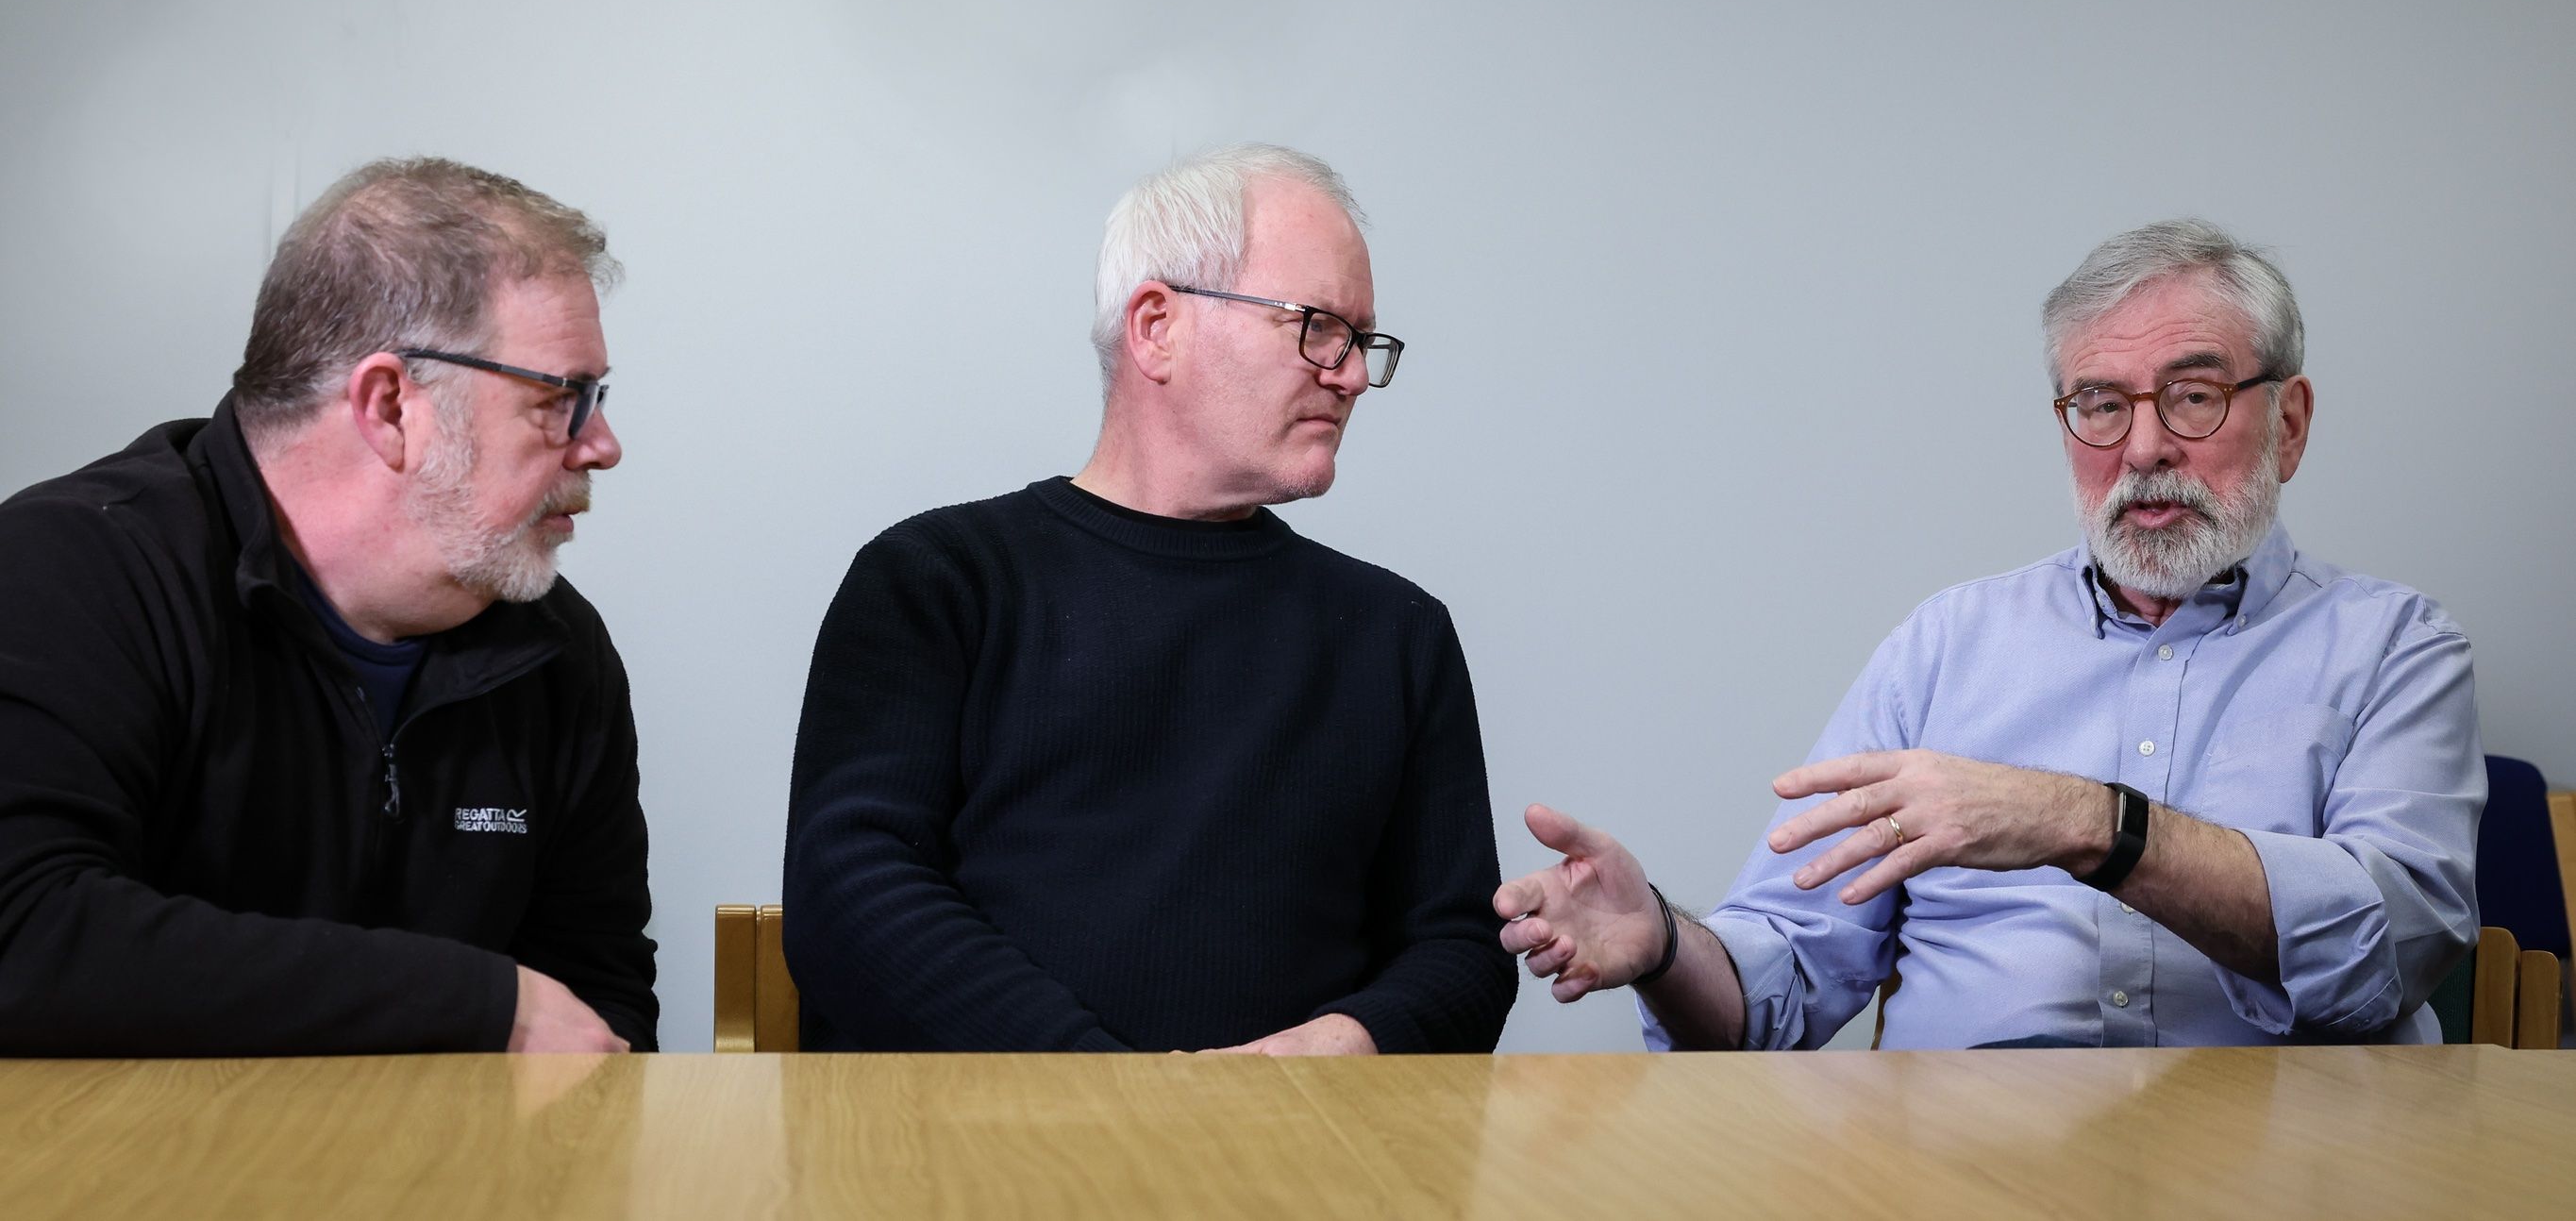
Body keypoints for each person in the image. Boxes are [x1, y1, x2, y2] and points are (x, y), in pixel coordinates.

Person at [1498, 219, 2481, 1048]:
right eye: (2101, 404)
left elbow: (2394, 947)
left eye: (2192, 394)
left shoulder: (2396, 648)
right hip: (1962, 1170)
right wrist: (1667, 946)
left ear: (2290, 423)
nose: (2142, 449)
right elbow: (1779, 990)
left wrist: (2089, 823)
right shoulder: (1946, 646)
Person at [784, 144, 1514, 1053]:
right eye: (1319, 326)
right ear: (1157, 327)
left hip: (1291, 1169)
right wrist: (1111, 1091)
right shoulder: (937, 581)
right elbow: (850, 897)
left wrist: (1341, 1048)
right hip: (975, 1167)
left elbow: (1461, 952)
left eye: (1363, 341)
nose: (1353, 374)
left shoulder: (1397, 634)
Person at [0, 158, 655, 1056]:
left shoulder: (556, 649)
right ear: (390, 406)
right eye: (560, 400)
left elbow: (598, 1004)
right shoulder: (73, 571)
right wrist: (475, 1001)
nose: (603, 446)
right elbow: (26, 934)